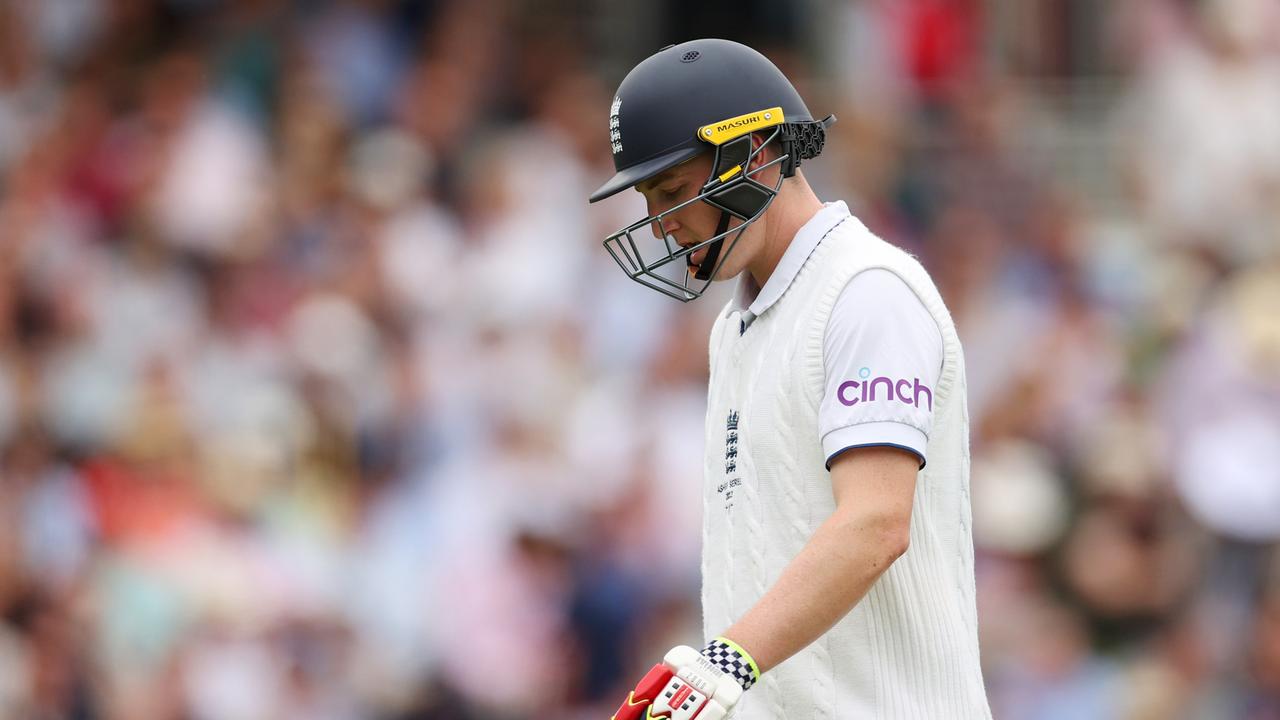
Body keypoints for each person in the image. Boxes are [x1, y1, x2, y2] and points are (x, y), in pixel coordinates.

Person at [589, 39, 992, 718]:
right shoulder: (735, 327)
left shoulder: (867, 289)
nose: (662, 227)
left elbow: (875, 521)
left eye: (673, 192)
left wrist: (726, 657)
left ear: (759, 155)